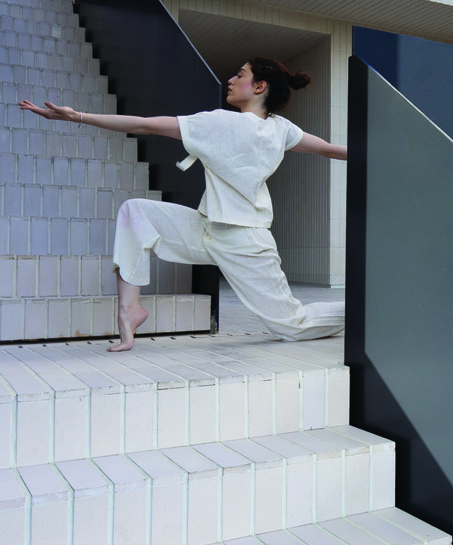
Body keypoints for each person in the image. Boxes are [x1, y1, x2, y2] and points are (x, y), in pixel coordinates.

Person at [19, 57, 347, 352]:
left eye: (240, 74)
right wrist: (378, 153)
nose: (230, 80)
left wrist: (78, 116)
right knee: (136, 212)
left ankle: (361, 310)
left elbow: (145, 125)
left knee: (291, 325)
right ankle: (130, 310)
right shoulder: (281, 129)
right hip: (207, 229)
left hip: (246, 242)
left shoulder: (225, 123)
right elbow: (330, 149)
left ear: (259, 86)